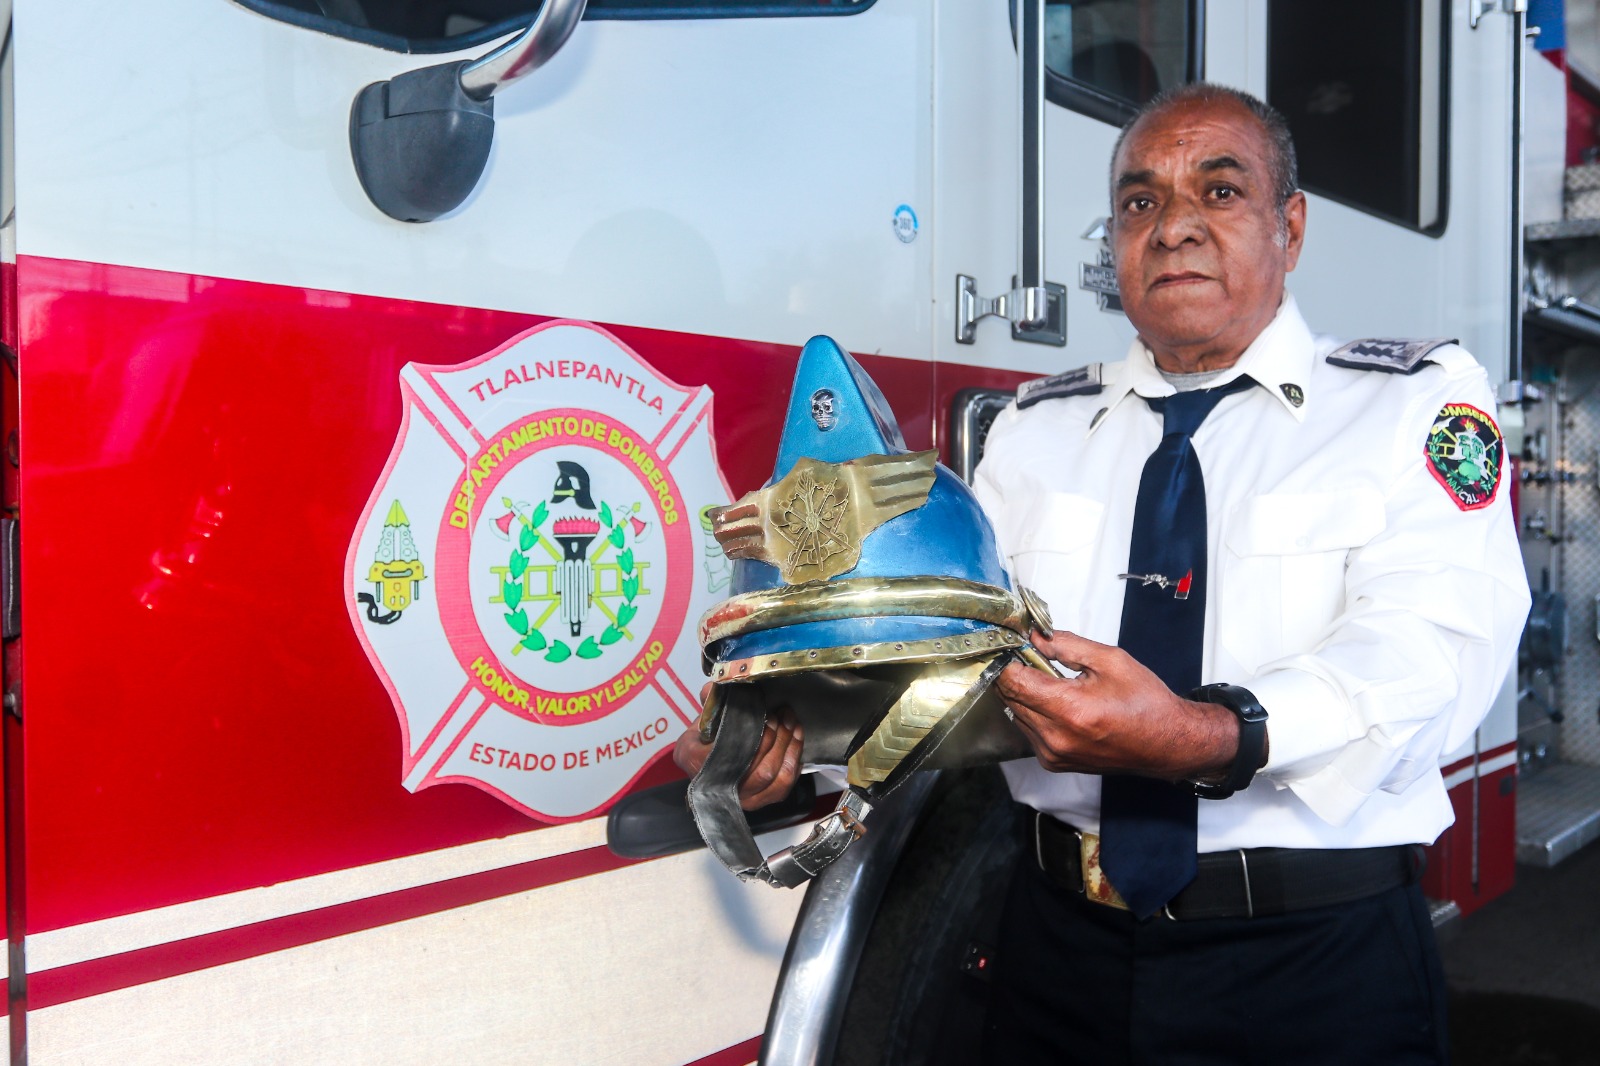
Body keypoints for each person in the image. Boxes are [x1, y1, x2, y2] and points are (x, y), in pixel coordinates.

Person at [677, 82, 1529, 1064]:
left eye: (1218, 191)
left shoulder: (1406, 405)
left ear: (1288, 227)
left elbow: (1432, 647)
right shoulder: (1032, 433)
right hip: (1053, 948)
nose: (1172, 228)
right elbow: (944, 664)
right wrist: (776, 745)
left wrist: (1206, 736)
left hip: (1310, 963)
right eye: (1139, 201)